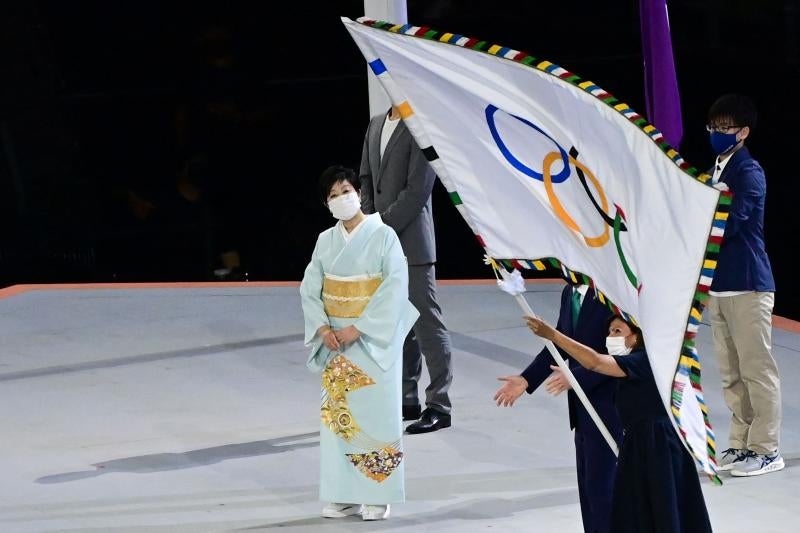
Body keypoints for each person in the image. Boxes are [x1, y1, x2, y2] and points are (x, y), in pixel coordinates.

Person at [300, 165, 419, 521]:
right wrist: (323, 328)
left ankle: (377, 495)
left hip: (371, 338)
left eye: (346, 191)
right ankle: (343, 494)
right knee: (340, 418)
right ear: (326, 204)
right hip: (335, 340)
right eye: (333, 195)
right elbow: (310, 288)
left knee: (376, 416)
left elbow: (395, 287)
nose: (342, 199)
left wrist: (361, 327)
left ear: (359, 194)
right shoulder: (325, 240)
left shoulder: (384, 236)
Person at [526, 314, 712, 533]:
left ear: (636, 336)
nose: (610, 337)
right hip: (638, 443)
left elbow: (595, 362)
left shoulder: (645, 360)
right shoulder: (635, 361)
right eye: (609, 332)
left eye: (617, 331)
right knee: (638, 510)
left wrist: (553, 335)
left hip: (658, 446)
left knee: (662, 506)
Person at [494, 284, 621, 533]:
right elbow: (560, 342)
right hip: (581, 409)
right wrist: (527, 378)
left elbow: (623, 354)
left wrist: (577, 377)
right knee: (590, 490)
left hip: (610, 406)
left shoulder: (610, 291)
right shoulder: (570, 292)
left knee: (605, 490)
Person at [360, 106, 453, 433]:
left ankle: (439, 405)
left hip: (412, 244)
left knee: (427, 322)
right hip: (382, 245)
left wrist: (381, 225)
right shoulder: (375, 125)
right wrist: (369, 223)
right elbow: (366, 179)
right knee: (398, 325)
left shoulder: (419, 126)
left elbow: (418, 190)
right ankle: (406, 398)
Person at [704, 94, 782, 477]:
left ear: (744, 132)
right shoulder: (713, 170)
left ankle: (766, 449)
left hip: (749, 286)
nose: (717, 133)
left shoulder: (749, 172)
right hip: (718, 287)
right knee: (731, 373)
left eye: (725, 128)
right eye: (713, 127)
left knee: (757, 371)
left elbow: (731, 223)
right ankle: (740, 443)